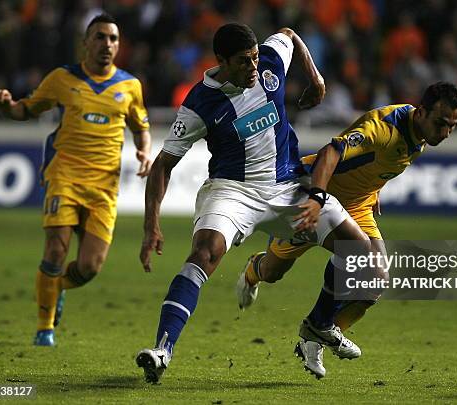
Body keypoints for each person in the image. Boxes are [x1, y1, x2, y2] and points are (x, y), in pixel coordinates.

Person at [136, 23, 371, 383]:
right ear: (222, 61)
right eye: (244, 62)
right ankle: (162, 350)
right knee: (204, 254)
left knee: (359, 251)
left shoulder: (271, 62)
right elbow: (163, 165)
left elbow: (290, 34)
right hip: (234, 191)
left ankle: (317, 326)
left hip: (288, 187)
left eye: (255, 58)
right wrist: (151, 225)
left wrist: (316, 78)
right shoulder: (200, 102)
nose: (253, 68)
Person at [237, 81, 457, 377]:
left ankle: (315, 336)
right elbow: (330, 152)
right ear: (421, 112)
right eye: (441, 124)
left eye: (452, 126)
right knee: (273, 273)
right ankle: (254, 270)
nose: (445, 133)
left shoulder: (421, 133)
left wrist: (374, 188)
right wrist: (317, 198)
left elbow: (377, 162)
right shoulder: (381, 128)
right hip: (312, 196)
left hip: (357, 205)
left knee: (375, 281)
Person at [0, 14, 152, 347]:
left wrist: (144, 151)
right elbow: (27, 110)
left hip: (104, 187)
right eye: (100, 37)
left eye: (113, 39)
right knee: (55, 249)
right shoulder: (62, 79)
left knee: (90, 266)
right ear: (86, 42)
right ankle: (44, 328)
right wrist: (7, 107)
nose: (107, 44)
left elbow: (141, 127)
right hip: (64, 175)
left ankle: (58, 287)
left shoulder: (129, 86)